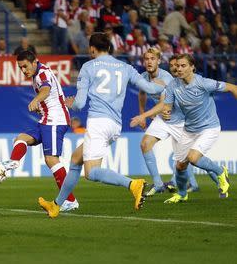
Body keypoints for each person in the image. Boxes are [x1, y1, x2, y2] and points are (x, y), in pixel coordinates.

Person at [38, 33, 165, 218]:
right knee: (75, 159)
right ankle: (56, 204)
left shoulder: (88, 67)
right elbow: (152, 89)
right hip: (114, 125)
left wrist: (69, 103)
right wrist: (165, 85)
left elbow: (80, 104)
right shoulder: (125, 67)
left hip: (98, 122)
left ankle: (133, 184)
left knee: (91, 172)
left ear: (92, 49)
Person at [131, 54, 237, 202]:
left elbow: (233, 87)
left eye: (183, 66)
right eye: (177, 66)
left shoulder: (204, 83)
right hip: (189, 128)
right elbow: (167, 105)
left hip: (209, 127)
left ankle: (220, 172)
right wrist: (166, 111)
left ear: (192, 67)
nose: (179, 69)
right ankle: (181, 194)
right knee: (180, 166)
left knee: (193, 158)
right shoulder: (173, 85)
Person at [1, 50, 78, 212]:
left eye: (25, 66)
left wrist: (36, 100)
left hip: (55, 119)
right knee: (21, 138)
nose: (23, 70)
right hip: (46, 118)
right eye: (20, 67)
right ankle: (14, 161)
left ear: (35, 62)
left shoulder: (42, 73)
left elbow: (46, 90)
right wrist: (40, 106)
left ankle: (70, 201)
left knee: (51, 159)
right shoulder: (38, 74)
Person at [136, 49, 198, 196]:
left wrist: (145, 115)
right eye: (146, 59)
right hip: (163, 118)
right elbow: (142, 93)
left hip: (178, 119)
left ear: (158, 61)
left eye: (152, 58)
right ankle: (158, 184)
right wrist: (141, 112)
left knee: (187, 156)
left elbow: (164, 104)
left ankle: (218, 174)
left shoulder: (167, 78)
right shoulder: (143, 77)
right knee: (145, 144)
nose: (149, 61)